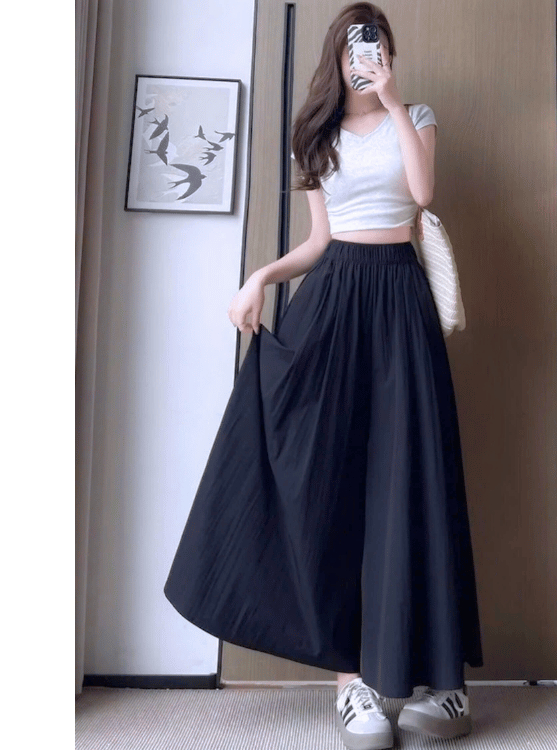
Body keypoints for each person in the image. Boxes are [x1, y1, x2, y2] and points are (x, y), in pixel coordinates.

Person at [164, 4, 483, 749]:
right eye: (352, 50)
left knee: (416, 477)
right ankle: (353, 683)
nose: (363, 61)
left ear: (389, 57)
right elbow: (317, 241)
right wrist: (260, 277)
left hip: (400, 300)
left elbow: (423, 195)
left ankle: (444, 684)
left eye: (375, 49)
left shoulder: (417, 117)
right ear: (335, 59)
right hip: (334, 303)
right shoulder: (315, 135)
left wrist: (395, 103)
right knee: (332, 484)